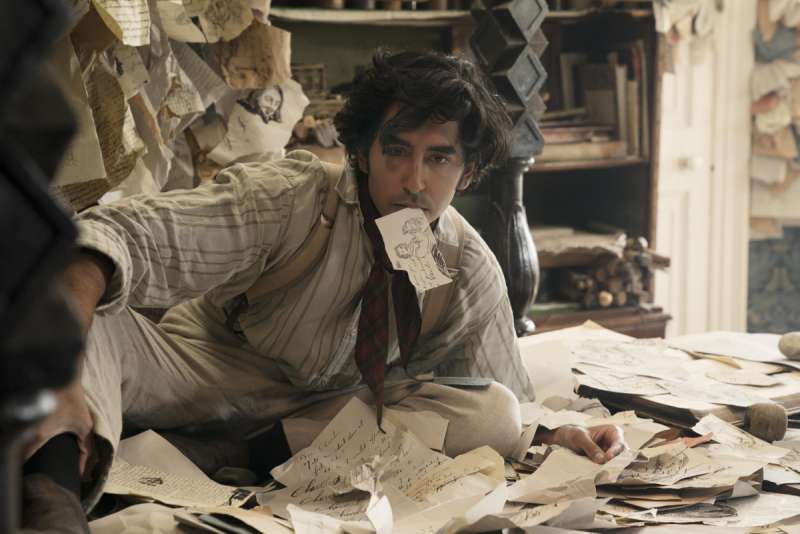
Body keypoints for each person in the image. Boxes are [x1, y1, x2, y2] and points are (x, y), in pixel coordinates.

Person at [27, 49, 626, 509]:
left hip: (319, 422)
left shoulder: (465, 265)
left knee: (494, 413)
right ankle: (52, 499)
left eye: (439, 157)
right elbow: (115, 235)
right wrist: (63, 377)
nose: (414, 181)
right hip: (201, 370)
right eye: (397, 151)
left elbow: (499, 396)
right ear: (363, 151)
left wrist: (556, 432)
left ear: (467, 172)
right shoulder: (291, 198)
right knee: (87, 325)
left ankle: (231, 455)